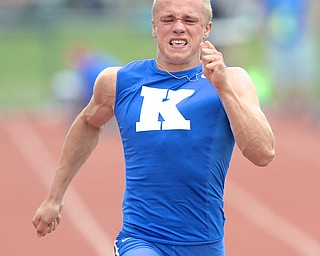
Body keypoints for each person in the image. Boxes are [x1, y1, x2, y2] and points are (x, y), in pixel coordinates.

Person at [32, 0, 275, 255]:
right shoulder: (119, 81)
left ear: (207, 29)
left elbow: (263, 153)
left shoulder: (232, 81)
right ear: (154, 27)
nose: (179, 27)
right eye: (168, 19)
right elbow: (87, 123)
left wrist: (224, 88)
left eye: (189, 20)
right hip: (141, 239)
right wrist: (54, 198)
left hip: (204, 243)